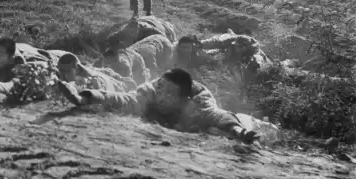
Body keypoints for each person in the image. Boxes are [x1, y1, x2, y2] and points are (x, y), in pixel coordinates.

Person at [58, 67, 261, 144]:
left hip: (213, 123)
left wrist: (241, 133)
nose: (162, 96)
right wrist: (82, 99)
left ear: (183, 99)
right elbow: (123, 99)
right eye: (161, 89)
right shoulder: (150, 92)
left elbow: (219, 116)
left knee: (213, 131)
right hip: (166, 121)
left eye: (169, 93)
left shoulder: (199, 104)